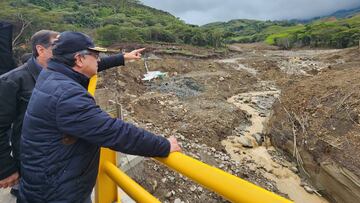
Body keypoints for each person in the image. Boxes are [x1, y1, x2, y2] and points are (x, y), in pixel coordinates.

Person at [19, 31, 181, 202]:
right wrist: (162, 145)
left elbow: (94, 66)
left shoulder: (52, 74)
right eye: (95, 55)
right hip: (56, 193)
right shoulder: (67, 95)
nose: (99, 59)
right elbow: (113, 131)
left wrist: (122, 58)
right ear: (79, 59)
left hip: (49, 180)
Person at [0, 29, 146, 198]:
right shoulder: (12, 81)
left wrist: (124, 57)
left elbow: (93, 63)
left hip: (64, 162)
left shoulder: (57, 72)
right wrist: (6, 168)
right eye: (57, 44)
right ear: (41, 49)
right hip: (34, 158)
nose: (63, 47)